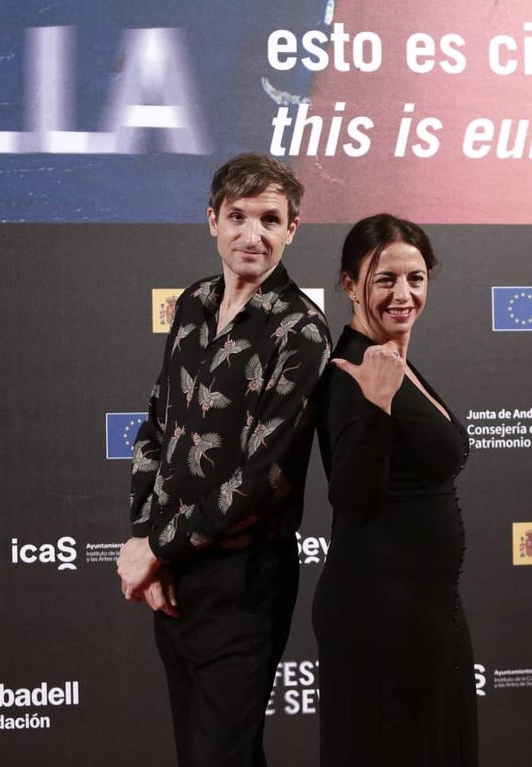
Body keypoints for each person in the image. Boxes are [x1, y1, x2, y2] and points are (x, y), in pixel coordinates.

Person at [117, 153, 330, 767]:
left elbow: (261, 478)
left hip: (243, 580)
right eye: (237, 216)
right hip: (175, 569)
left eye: (270, 219)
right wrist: (146, 539)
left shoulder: (300, 332)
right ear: (212, 220)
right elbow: (159, 423)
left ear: (293, 228)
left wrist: (155, 549)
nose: (252, 234)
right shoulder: (193, 303)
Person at [312, 213, 478, 766]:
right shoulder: (353, 369)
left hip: (426, 609)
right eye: (384, 279)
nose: (402, 294)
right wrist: (378, 407)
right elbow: (354, 499)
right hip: (380, 613)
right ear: (348, 284)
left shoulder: (393, 360)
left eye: (415, 277)